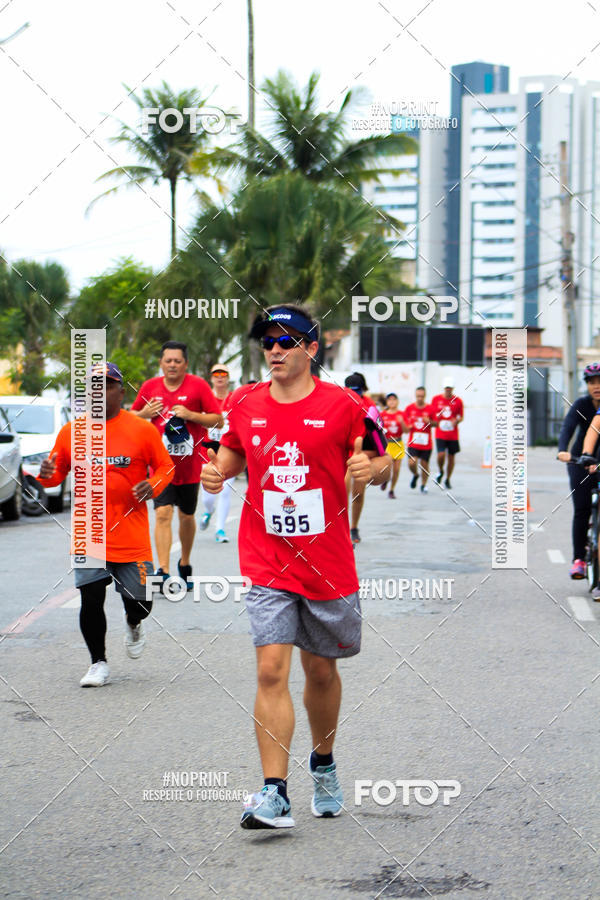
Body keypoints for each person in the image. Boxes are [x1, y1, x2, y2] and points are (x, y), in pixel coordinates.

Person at [201, 304, 389, 829]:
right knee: (269, 669)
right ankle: (273, 793)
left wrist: (372, 467)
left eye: (287, 342)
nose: (276, 351)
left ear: (311, 348)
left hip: (327, 563)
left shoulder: (349, 405)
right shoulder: (244, 404)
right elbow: (232, 456)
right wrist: (216, 475)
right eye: (267, 342)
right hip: (267, 560)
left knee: (321, 670)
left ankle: (323, 764)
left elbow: (389, 450)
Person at [38, 363, 174, 687]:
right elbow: (56, 475)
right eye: (94, 386)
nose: (99, 391)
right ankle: (98, 662)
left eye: (107, 385)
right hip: (90, 534)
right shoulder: (71, 432)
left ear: (121, 392)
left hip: (132, 535)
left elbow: (166, 468)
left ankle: (133, 621)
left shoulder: (142, 430)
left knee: (141, 601)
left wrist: (152, 486)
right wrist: (47, 474)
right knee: (91, 597)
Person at [131, 341, 222, 587]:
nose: (172, 365)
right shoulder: (150, 387)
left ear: (186, 364)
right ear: (161, 363)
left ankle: (184, 561)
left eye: (177, 361)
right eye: (168, 360)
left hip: (190, 466)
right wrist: (143, 414)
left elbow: (218, 421)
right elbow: (129, 418)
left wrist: (191, 415)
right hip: (160, 466)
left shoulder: (199, 386)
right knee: (162, 513)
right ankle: (162, 570)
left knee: (186, 516)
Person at [557, 362, 600, 579]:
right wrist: (562, 450)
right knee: (582, 509)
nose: (596, 386)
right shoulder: (582, 405)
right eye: (592, 382)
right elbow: (568, 427)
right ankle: (579, 560)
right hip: (580, 460)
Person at [343, 372, 381, 543]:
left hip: (362, 451)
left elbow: (379, 444)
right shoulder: (339, 403)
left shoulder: (370, 406)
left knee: (358, 491)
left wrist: (364, 456)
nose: (353, 395)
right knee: (340, 491)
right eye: (349, 391)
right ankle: (340, 527)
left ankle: (354, 527)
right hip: (343, 453)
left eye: (356, 391)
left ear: (363, 390)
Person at [200, 363, 235, 543]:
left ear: (228, 378)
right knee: (208, 495)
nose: (220, 377)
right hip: (208, 450)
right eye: (216, 374)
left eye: (223, 374)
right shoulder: (206, 400)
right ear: (212, 378)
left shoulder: (234, 399)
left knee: (226, 491)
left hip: (228, 451)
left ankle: (220, 529)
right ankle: (208, 510)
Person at [430, 377, 464, 489]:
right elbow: (432, 414)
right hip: (440, 433)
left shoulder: (458, 401)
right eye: (446, 388)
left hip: (453, 434)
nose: (448, 390)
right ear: (444, 388)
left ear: (452, 389)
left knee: (451, 457)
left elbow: (461, 416)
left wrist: (457, 420)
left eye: (450, 388)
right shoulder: (436, 399)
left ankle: (448, 478)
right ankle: (440, 471)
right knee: (441, 454)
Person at [403, 386, 433, 493]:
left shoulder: (430, 408)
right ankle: (415, 475)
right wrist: (407, 426)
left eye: (422, 396)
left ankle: (424, 485)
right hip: (413, 442)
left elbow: (437, 423)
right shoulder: (409, 408)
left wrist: (429, 421)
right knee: (411, 462)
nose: (420, 398)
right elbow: (404, 424)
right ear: (415, 396)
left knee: (424, 465)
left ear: (424, 396)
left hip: (426, 443)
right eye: (418, 396)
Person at [380, 393, 405, 499]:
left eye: (394, 399)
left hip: (398, 444)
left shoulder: (401, 414)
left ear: (398, 401)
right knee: (388, 467)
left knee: (396, 470)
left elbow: (407, 430)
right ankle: (386, 479)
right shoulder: (383, 414)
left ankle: (391, 490)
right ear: (387, 402)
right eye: (389, 400)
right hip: (387, 444)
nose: (392, 402)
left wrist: (402, 422)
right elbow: (377, 429)